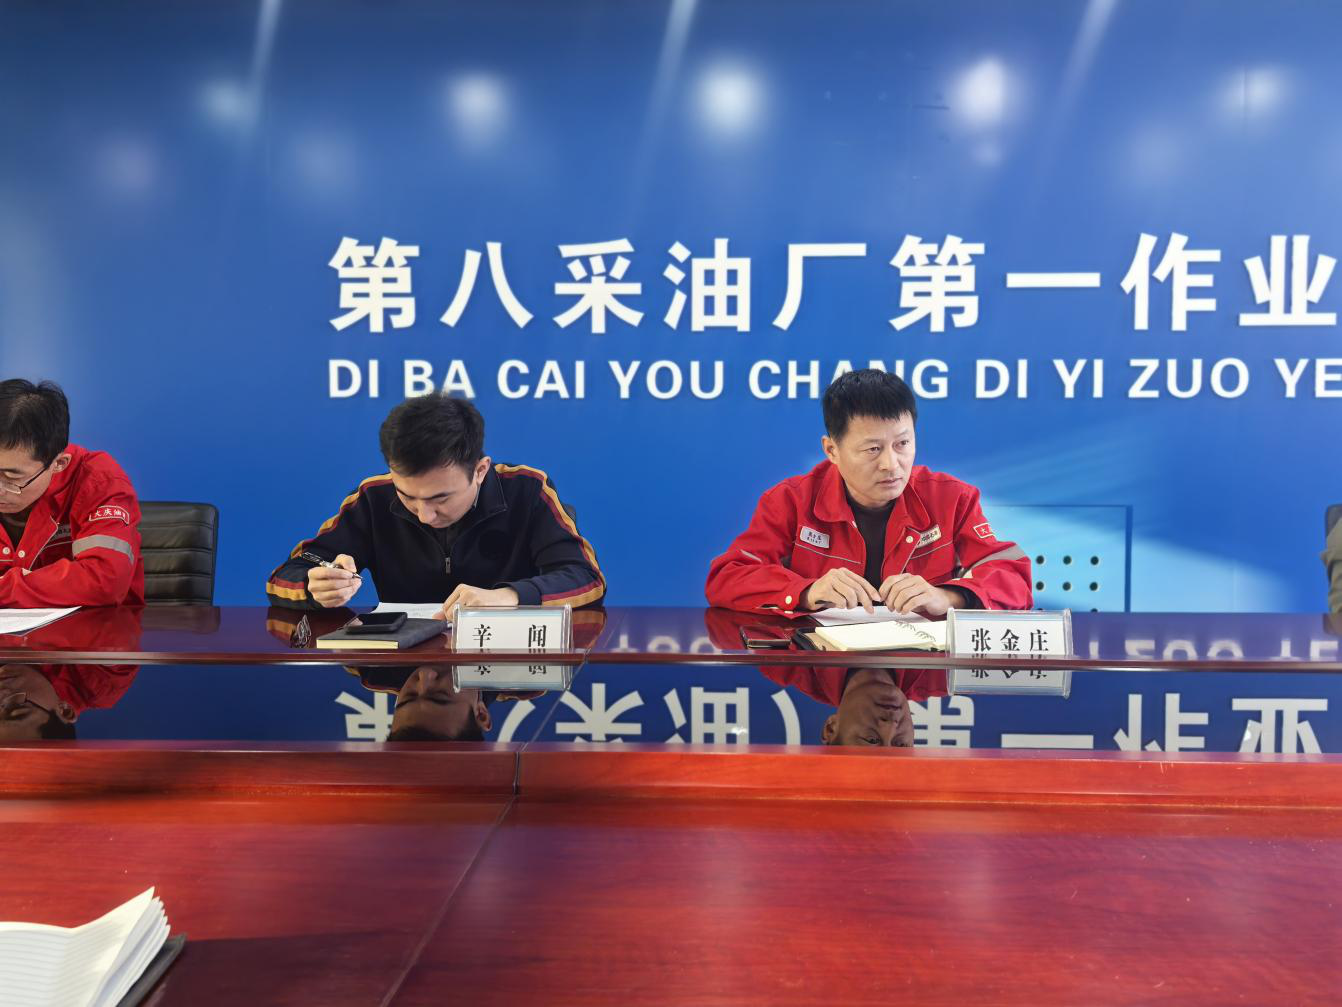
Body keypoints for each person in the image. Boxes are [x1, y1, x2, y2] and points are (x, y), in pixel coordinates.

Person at [706, 369, 1031, 616]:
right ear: (832, 450)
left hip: (921, 671)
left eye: (902, 443)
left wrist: (947, 597)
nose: (891, 464)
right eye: (873, 449)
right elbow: (727, 577)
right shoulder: (790, 501)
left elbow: (1013, 576)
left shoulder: (952, 499)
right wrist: (806, 591)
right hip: (820, 668)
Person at [266, 394, 604, 613]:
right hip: (404, 668)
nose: (424, 515)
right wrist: (316, 585)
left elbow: (586, 579)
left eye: (440, 498)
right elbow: (284, 576)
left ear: (480, 471)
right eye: (407, 497)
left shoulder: (528, 490)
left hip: (501, 666)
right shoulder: (373, 497)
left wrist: (508, 597)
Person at [0, 379, 143, 606]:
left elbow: (104, 580)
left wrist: (7, 588)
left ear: (58, 463)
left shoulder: (98, 481)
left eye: (11, 477)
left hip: (94, 626)